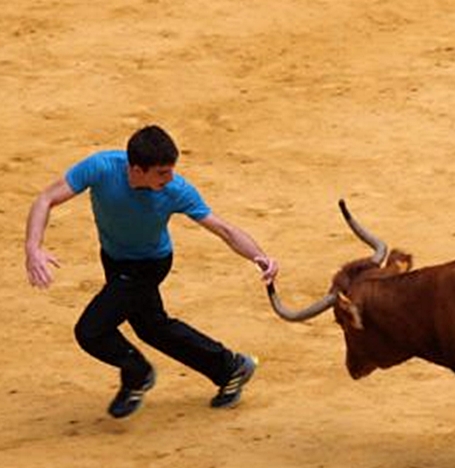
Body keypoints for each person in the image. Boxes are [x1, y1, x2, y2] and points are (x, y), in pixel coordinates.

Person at [24, 125, 279, 418]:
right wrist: (34, 247)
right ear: (136, 169)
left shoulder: (175, 190)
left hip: (150, 264)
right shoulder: (101, 168)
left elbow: (224, 229)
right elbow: (46, 199)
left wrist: (260, 256)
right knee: (152, 326)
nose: (169, 179)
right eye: (161, 173)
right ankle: (230, 367)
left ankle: (138, 375)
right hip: (114, 259)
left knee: (91, 330)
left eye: (170, 171)